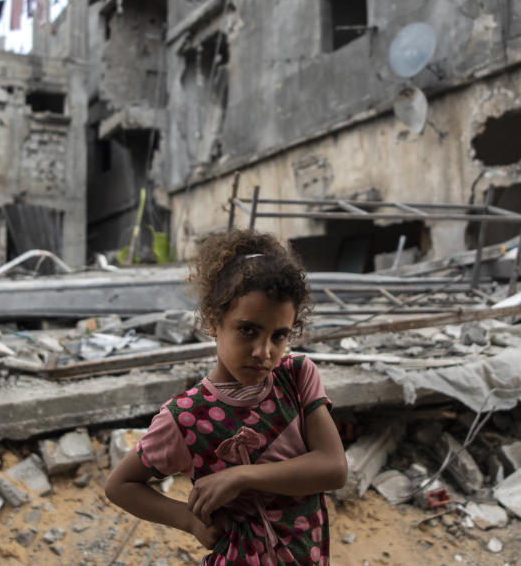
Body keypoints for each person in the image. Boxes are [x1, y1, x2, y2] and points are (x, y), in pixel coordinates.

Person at [105, 229, 348, 565]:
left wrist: (241, 476)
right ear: (213, 322)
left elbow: (333, 468)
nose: (264, 352)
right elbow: (120, 485)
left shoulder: (296, 377)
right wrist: (188, 520)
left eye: (279, 335)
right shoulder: (187, 417)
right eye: (248, 330)